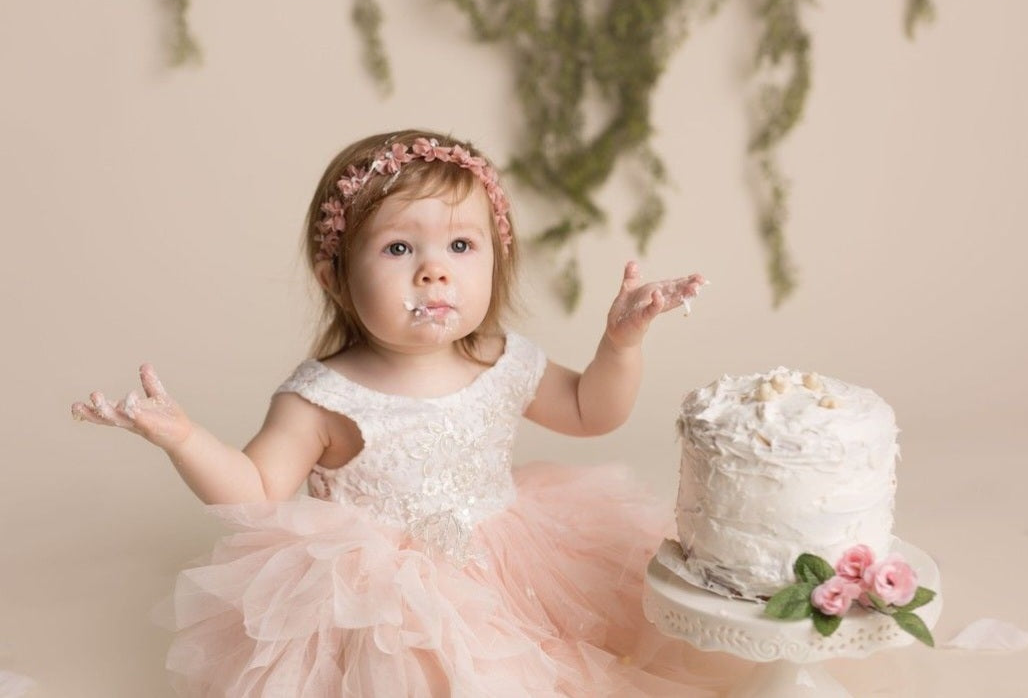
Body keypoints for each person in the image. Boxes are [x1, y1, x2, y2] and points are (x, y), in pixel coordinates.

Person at [71, 129, 725, 696]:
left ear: (497, 261)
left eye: (460, 248)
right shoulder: (322, 397)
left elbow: (591, 412)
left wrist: (620, 343)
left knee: (539, 669)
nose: (433, 272)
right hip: (381, 604)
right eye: (398, 249)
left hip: (508, 565)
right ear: (334, 276)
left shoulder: (502, 362)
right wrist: (183, 439)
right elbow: (257, 492)